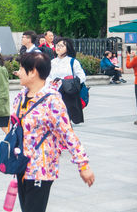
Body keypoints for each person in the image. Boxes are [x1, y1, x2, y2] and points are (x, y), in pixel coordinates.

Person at [13, 52, 95, 212]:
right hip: (21, 166)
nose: (18, 72)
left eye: (22, 68)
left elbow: (68, 134)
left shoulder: (52, 101)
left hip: (40, 168)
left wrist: (83, 165)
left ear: (33, 72)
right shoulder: (20, 97)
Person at [47, 37, 86, 124]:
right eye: (57, 45)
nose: (58, 47)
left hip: (68, 95)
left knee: (65, 121)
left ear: (67, 48)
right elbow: (47, 76)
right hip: (54, 94)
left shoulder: (73, 62)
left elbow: (82, 77)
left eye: (61, 46)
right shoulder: (52, 62)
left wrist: (68, 81)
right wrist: (51, 82)